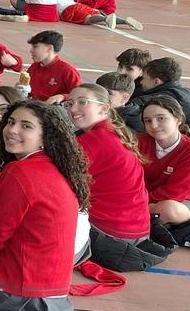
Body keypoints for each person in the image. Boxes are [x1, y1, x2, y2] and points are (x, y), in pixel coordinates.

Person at [0, 100, 85, 311]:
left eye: (26, 126)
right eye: (11, 122)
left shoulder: (20, 172)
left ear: (45, 137)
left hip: (16, 296)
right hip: (53, 292)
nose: (12, 130)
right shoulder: (55, 166)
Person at [66, 84, 161, 271]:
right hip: (136, 232)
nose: (73, 109)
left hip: (112, 237)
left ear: (104, 108)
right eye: (69, 103)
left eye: (82, 102)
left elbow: (49, 181)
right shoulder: (112, 131)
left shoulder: (94, 140)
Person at [138, 96, 190, 231]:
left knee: (168, 209)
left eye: (161, 118)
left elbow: (174, 192)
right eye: (148, 121)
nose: (153, 125)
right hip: (144, 198)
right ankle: (148, 217)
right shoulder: (139, 141)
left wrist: (136, 202)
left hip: (181, 201)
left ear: (178, 119)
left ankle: (139, 213)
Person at [120, 57, 190, 153]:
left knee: (122, 127)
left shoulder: (166, 97)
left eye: (144, 78)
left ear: (156, 81)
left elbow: (128, 109)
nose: (141, 82)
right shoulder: (182, 92)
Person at [25, 30, 81, 103]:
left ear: (49, 48)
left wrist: (63, 96)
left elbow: (79, 94)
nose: (31, 51)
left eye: (35, 47)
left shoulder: (67, 70)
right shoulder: (34, 67)